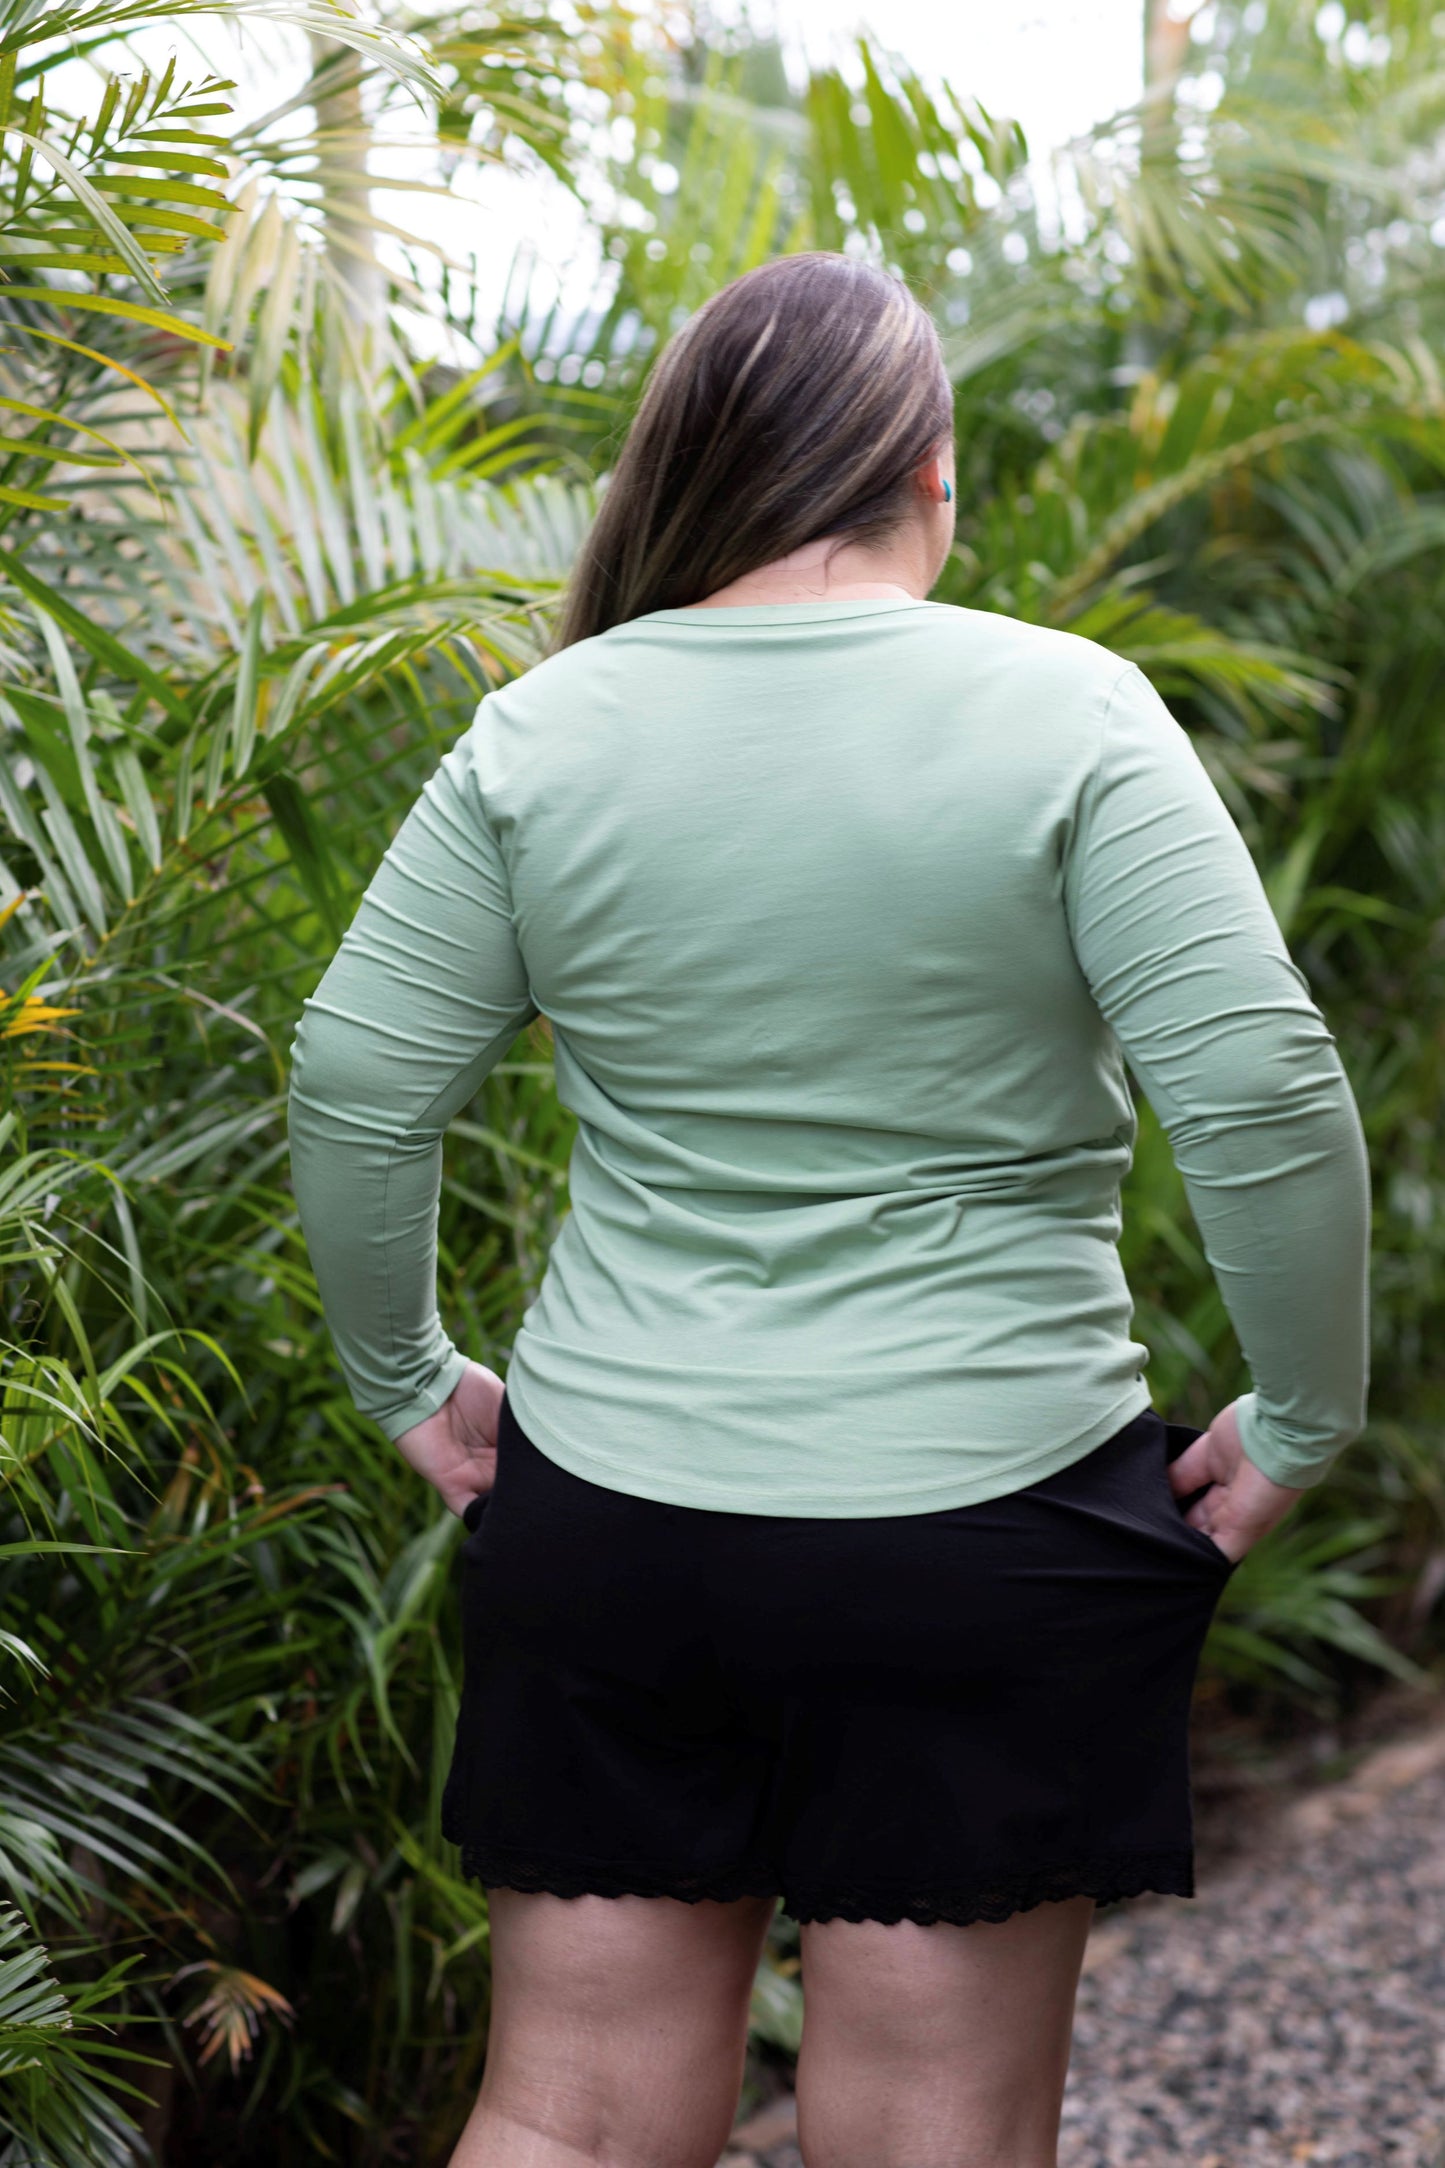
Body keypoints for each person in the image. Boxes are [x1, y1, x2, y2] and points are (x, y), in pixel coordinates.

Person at [287, 252, 1370, 2168]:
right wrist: (1300, 1417)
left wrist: (404, 1374)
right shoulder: (1073, 716)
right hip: (988, 1523)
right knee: (924, 2131)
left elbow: (362, 1082)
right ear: (928, 475)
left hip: (614, 1510)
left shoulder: (542, 735)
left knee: (568, 2119)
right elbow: (1262, 1089)